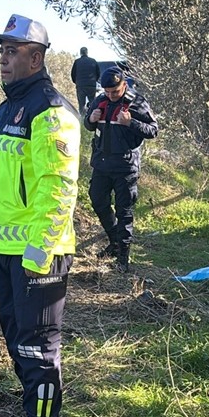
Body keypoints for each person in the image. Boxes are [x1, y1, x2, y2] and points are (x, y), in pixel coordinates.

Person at [0, 14, 80, 417]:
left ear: (36, 58)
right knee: (19, 343)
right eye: (1, 50)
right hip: (6, 251)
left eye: (12, 51)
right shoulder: (3, 112)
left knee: (37, 349)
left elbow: (58, 189)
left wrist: (39, 253)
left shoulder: (51, 110)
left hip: (39, 256)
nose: (3, 58)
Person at [82, 66, 158, 272]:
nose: (110, 95)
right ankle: (114, 242)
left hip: (126, 167)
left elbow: (153, 130)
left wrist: (131, 123)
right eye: (107, 91)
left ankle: (123, 257)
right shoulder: (100, 100)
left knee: (124, 212)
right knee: (98, 201)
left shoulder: (137, 102)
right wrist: (90, 119)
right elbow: (88, 125)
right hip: (101, 164)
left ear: (124, 85)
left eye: (114, 91)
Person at [70, 47, 99, 111]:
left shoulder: (77, 62)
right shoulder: (93, 61)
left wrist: (76, 82)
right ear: (87, 52)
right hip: (91, 85)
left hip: (80, 85)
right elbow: (98, 73)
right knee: (92, 103)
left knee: (81, 105)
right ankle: (92, 115)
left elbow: (73, 74)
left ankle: (82, 116)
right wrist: (94, 81)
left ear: (80, 53)